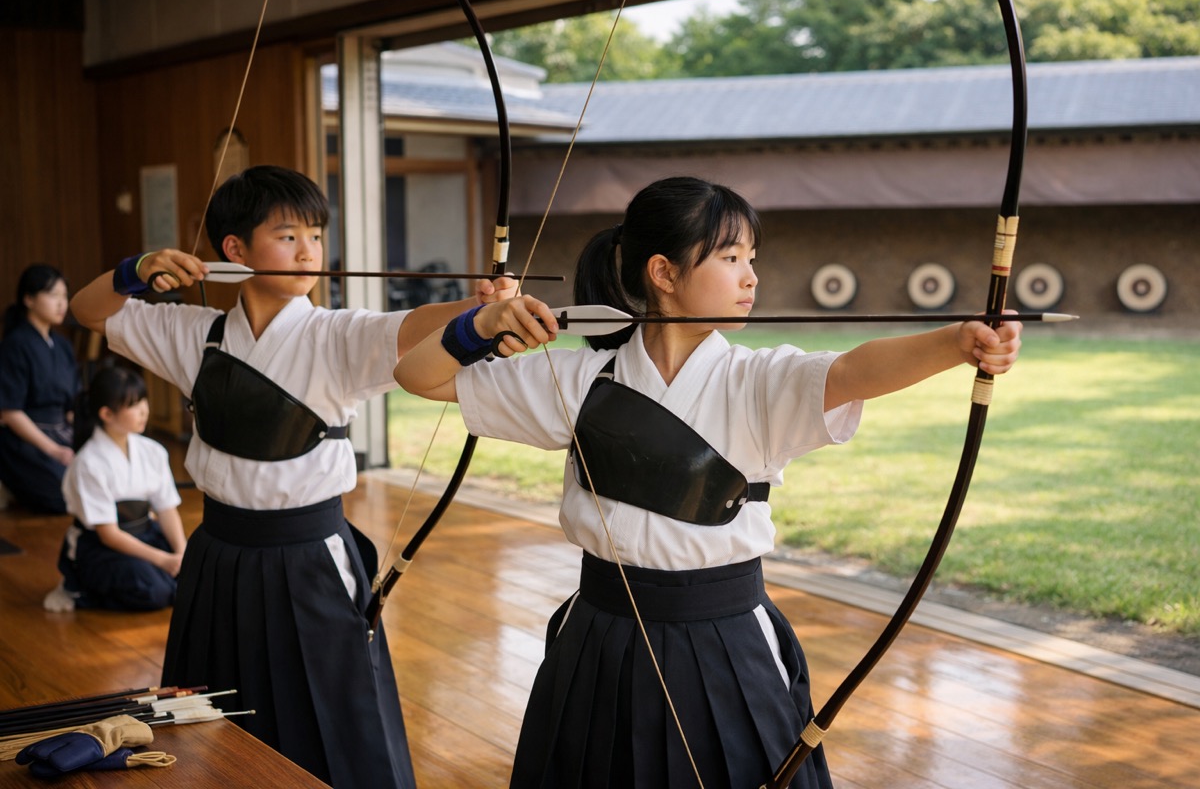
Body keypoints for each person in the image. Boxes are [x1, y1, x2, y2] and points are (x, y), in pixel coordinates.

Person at [394, 176, 1024, 789]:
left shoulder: (757, 382)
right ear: (663, 274)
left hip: (722, 641)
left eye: (752, 258)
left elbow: (853, 371)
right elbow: (417, 375)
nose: (751, 276)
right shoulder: (579, 378)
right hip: (600, 634)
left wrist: (955, 342)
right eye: (729, 257)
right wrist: (478, 327)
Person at [69, 165, 516, 789]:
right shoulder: (194, 335)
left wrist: (477, 310)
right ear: (235, 250)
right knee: (211, 713)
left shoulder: (335, 336)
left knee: (335, 715)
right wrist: (135, 270)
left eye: (316, 235)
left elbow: (410, 327)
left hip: (307, 556)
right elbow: (88, 311)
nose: (309, 251)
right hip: (218, 555)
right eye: (287, 236)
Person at [43, 366, 185, 613]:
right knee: (155, 591)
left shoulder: (152, 451)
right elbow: (108, 534)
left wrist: (182, 555)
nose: (144, 410)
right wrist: (164, 560)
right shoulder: (89, 462)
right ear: (107, 414)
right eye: (133, 404)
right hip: (103, 546)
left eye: (144, 400)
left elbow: (166, 509)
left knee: (196, 577)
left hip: (145, 534)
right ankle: (79, 588)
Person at [0, 264, 78, 514]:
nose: (61, 304)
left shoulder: (62, 345)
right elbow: (10, 412)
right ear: (29, 299)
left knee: (97, 477)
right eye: (53, 295)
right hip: (25, 438)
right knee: (63, 495)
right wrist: (54, 450)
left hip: (61, 433)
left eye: (64, 296)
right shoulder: (15, 344)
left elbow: (71, 407)